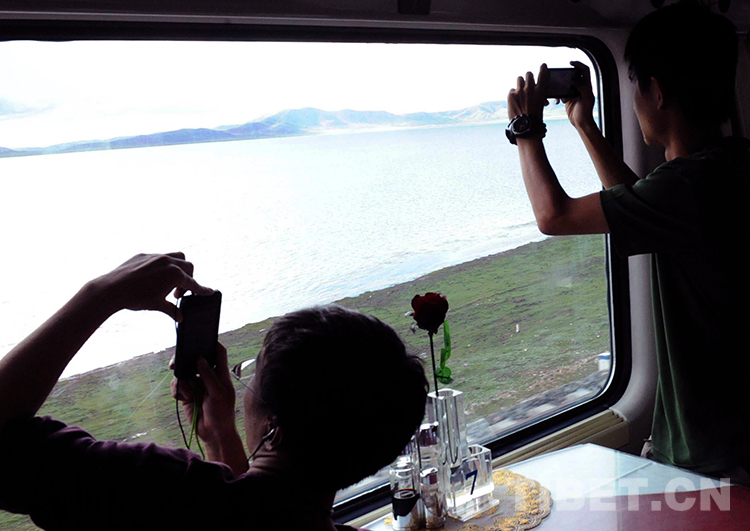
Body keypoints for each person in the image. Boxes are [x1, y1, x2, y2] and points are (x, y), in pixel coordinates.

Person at [0, 253, 428, 530]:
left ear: (274, 427)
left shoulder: (162, 487)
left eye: (252, 374)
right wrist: (220, 435)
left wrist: (101, 294)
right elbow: (260, 514)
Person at [505, 1, 750, 482]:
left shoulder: (686, 187)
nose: (634, 99)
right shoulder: (728, 164)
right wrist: (585, 125)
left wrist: (526, 130)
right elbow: (642, 205)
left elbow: (553, 216)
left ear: (656, 92)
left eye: (635, 85)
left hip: (713, 450)